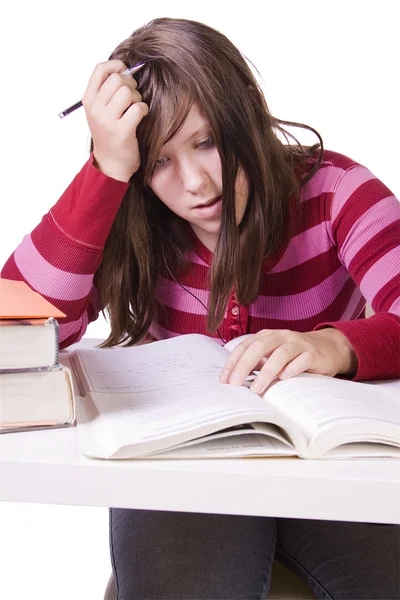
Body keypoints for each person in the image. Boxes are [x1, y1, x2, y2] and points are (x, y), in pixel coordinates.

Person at [2, 16, 399, 600]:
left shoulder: (337, 191)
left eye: (207, 141)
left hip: (329, 463)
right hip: (183, 469)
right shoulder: (136, 215)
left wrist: (335, 344)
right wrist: (107, 171)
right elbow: (22, 324)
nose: (194, 183)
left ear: (244, 113)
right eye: (158, 161)